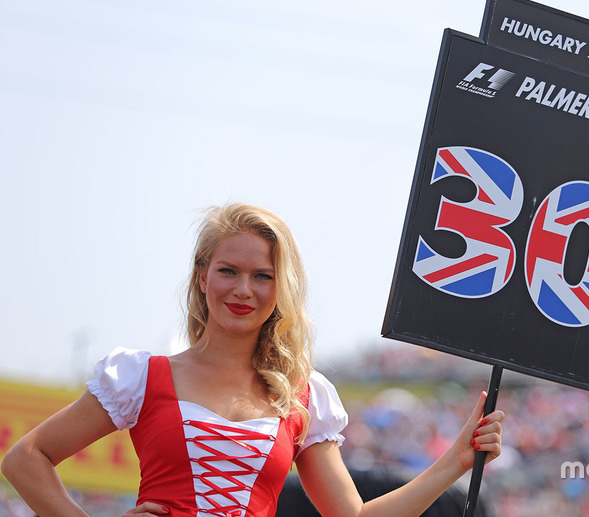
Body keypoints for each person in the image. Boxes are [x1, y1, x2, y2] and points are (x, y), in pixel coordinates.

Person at [1, 203, 504, 517]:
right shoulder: (141, 376)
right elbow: (25, 459)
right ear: (203, 277)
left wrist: (455, 462)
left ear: (279, 290)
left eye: (262, 276)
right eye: (228, 271)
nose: (243, 290)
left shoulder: (303, 397)